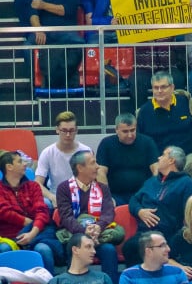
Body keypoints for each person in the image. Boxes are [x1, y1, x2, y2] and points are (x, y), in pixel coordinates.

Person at [123, 146, 192, 265]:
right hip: (144, 233)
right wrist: (140, 211)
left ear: (171, 160)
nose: (159, 157)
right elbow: (134, 200)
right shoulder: (152, 181)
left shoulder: (187, 183)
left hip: (169, 234)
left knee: (147, 248)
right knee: (129, 247)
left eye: (163, 155)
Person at [55, 150, 120, 283]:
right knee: (74, 249)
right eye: (93, 163)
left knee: (109, 250)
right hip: (75, 235)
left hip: (98, 235)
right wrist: (84, 232)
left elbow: (109, 213)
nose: (97, 166)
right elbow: (66, 217)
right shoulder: (64, 188)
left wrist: (97, 227)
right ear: (80, 168)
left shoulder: (103, 187)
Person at [0, 150, 61, 271]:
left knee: (43, 249)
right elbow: (4, 211)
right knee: (4, 249)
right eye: (20, 161)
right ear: (9, 167)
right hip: (10, 236)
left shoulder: (33, 186)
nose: (25, 164)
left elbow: (42, 211)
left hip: (37, 234)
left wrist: (32, 232)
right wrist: (26, 221)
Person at [97, 113, 160, 206]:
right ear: (117, 130)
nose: (130, 135)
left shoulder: (147, 142)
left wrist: (154, 192)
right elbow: (100, 172)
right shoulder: (106, 144)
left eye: (132, 130)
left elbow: (156, 170)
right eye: (125, 131)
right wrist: (107, 197)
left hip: (143, 195)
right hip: (115, 195)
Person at [36, 111, 92, 203]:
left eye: (71, 130)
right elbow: (38, 183)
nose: (68, 135)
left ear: (76, 130)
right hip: (55, 196)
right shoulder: (47, 153)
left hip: (82, 196)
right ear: (57, 129)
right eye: (64, 130)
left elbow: (92, 179)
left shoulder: (86, 151)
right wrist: (52, 197)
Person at [120, 232, 188, 284]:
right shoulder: (129, 276)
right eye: (162, 245)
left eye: (167, 245)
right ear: (149, 251)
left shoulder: (177, 272)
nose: (168, 249)